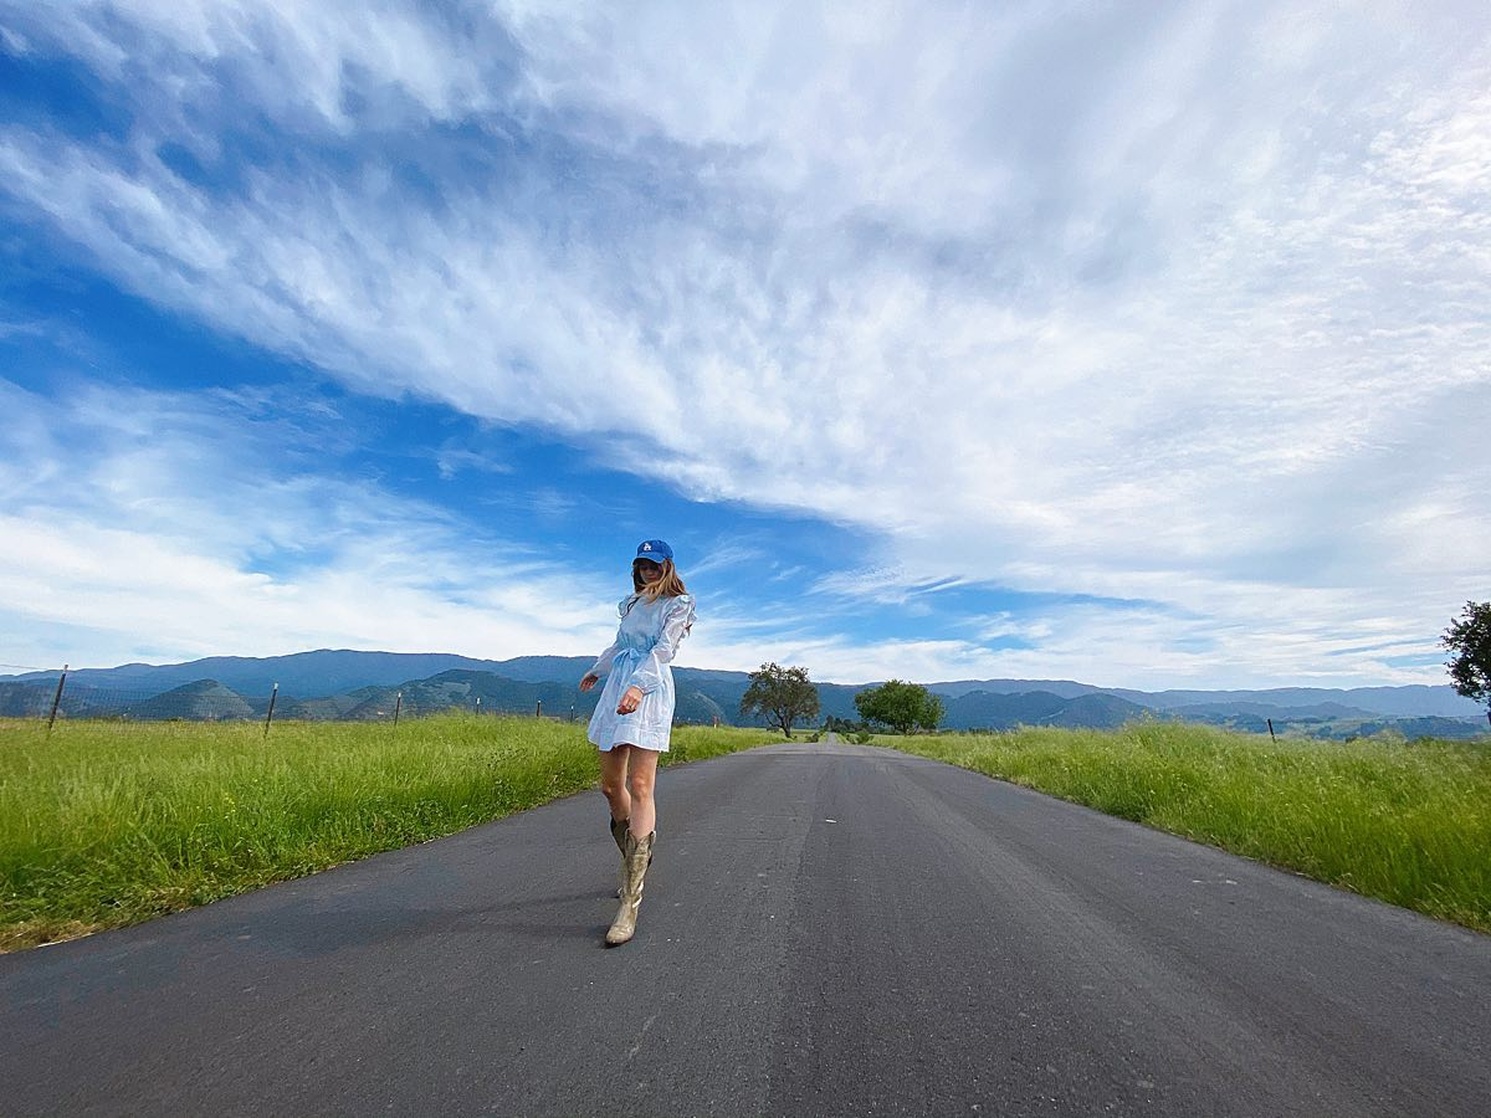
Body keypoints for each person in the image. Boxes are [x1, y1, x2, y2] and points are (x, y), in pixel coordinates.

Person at [579, 539, 695, 947]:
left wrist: (639, 687)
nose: (648, 571)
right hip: (617, 688)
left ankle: (630, 900)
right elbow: (619, 645)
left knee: (641, 786)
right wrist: (598, 670)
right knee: (611, 786)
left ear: (667, 567)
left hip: (650, 688)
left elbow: (664, 651)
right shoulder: (629, 605)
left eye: (654, 565)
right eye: (642, 565)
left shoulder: (678, 605)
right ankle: (635, 857)